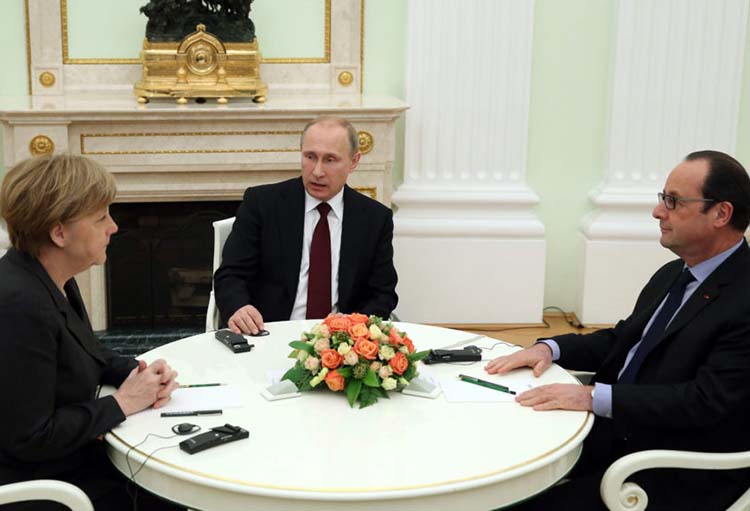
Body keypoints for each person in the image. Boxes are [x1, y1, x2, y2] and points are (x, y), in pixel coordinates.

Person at [487, 150, 750, 511]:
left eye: (673, 201)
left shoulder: (743, 297)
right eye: (663, 199)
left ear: (721, 213)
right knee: (497, 453)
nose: (658, 212)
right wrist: (550, 348)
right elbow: (624, 340)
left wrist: (593, 396)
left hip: (672, 465)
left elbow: (704, 402)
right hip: (618, 433)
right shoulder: (675, 273)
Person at [0, 154, 182, 510]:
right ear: (59, 232)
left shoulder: (53, 279)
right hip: (47, 487)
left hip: (73, 461)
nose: (113, 226)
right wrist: (125, 402)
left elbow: (87, 352)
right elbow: (30, 438)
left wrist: (137, 373)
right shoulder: (19, 306)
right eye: (100, 217)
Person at [214, 116, 398, 334]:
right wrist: (240, 307)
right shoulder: (262, 204)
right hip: (267, 333)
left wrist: (353, 325)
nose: (317, 171)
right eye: (310, 157)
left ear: (354, 161)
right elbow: (230, 275)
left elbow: (382, 294)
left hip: (341, 343)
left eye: (330, 160)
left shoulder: (375, 218)